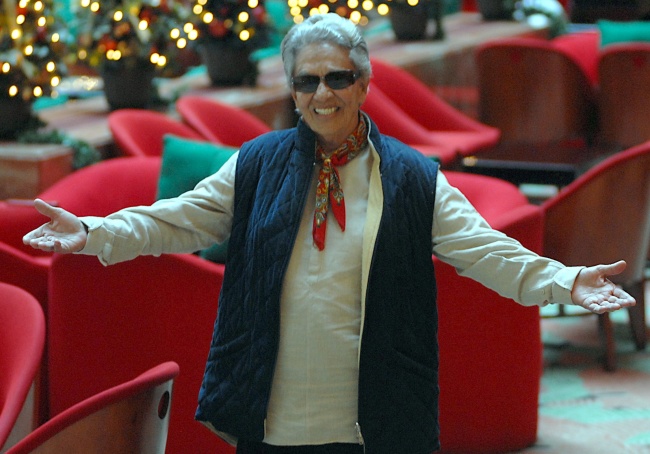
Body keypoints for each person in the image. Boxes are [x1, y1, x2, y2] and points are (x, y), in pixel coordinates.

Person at [23, 13, 635, 454]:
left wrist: (568, 282)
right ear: (292, 91)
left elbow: (486, 250)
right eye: (306, 81)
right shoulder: (256, 164)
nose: (322, 94)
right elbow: (175, 218)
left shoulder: (412, 177)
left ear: (364, 84)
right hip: (269, 414)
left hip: (372, 419)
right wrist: (93, 231)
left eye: (337, 78)